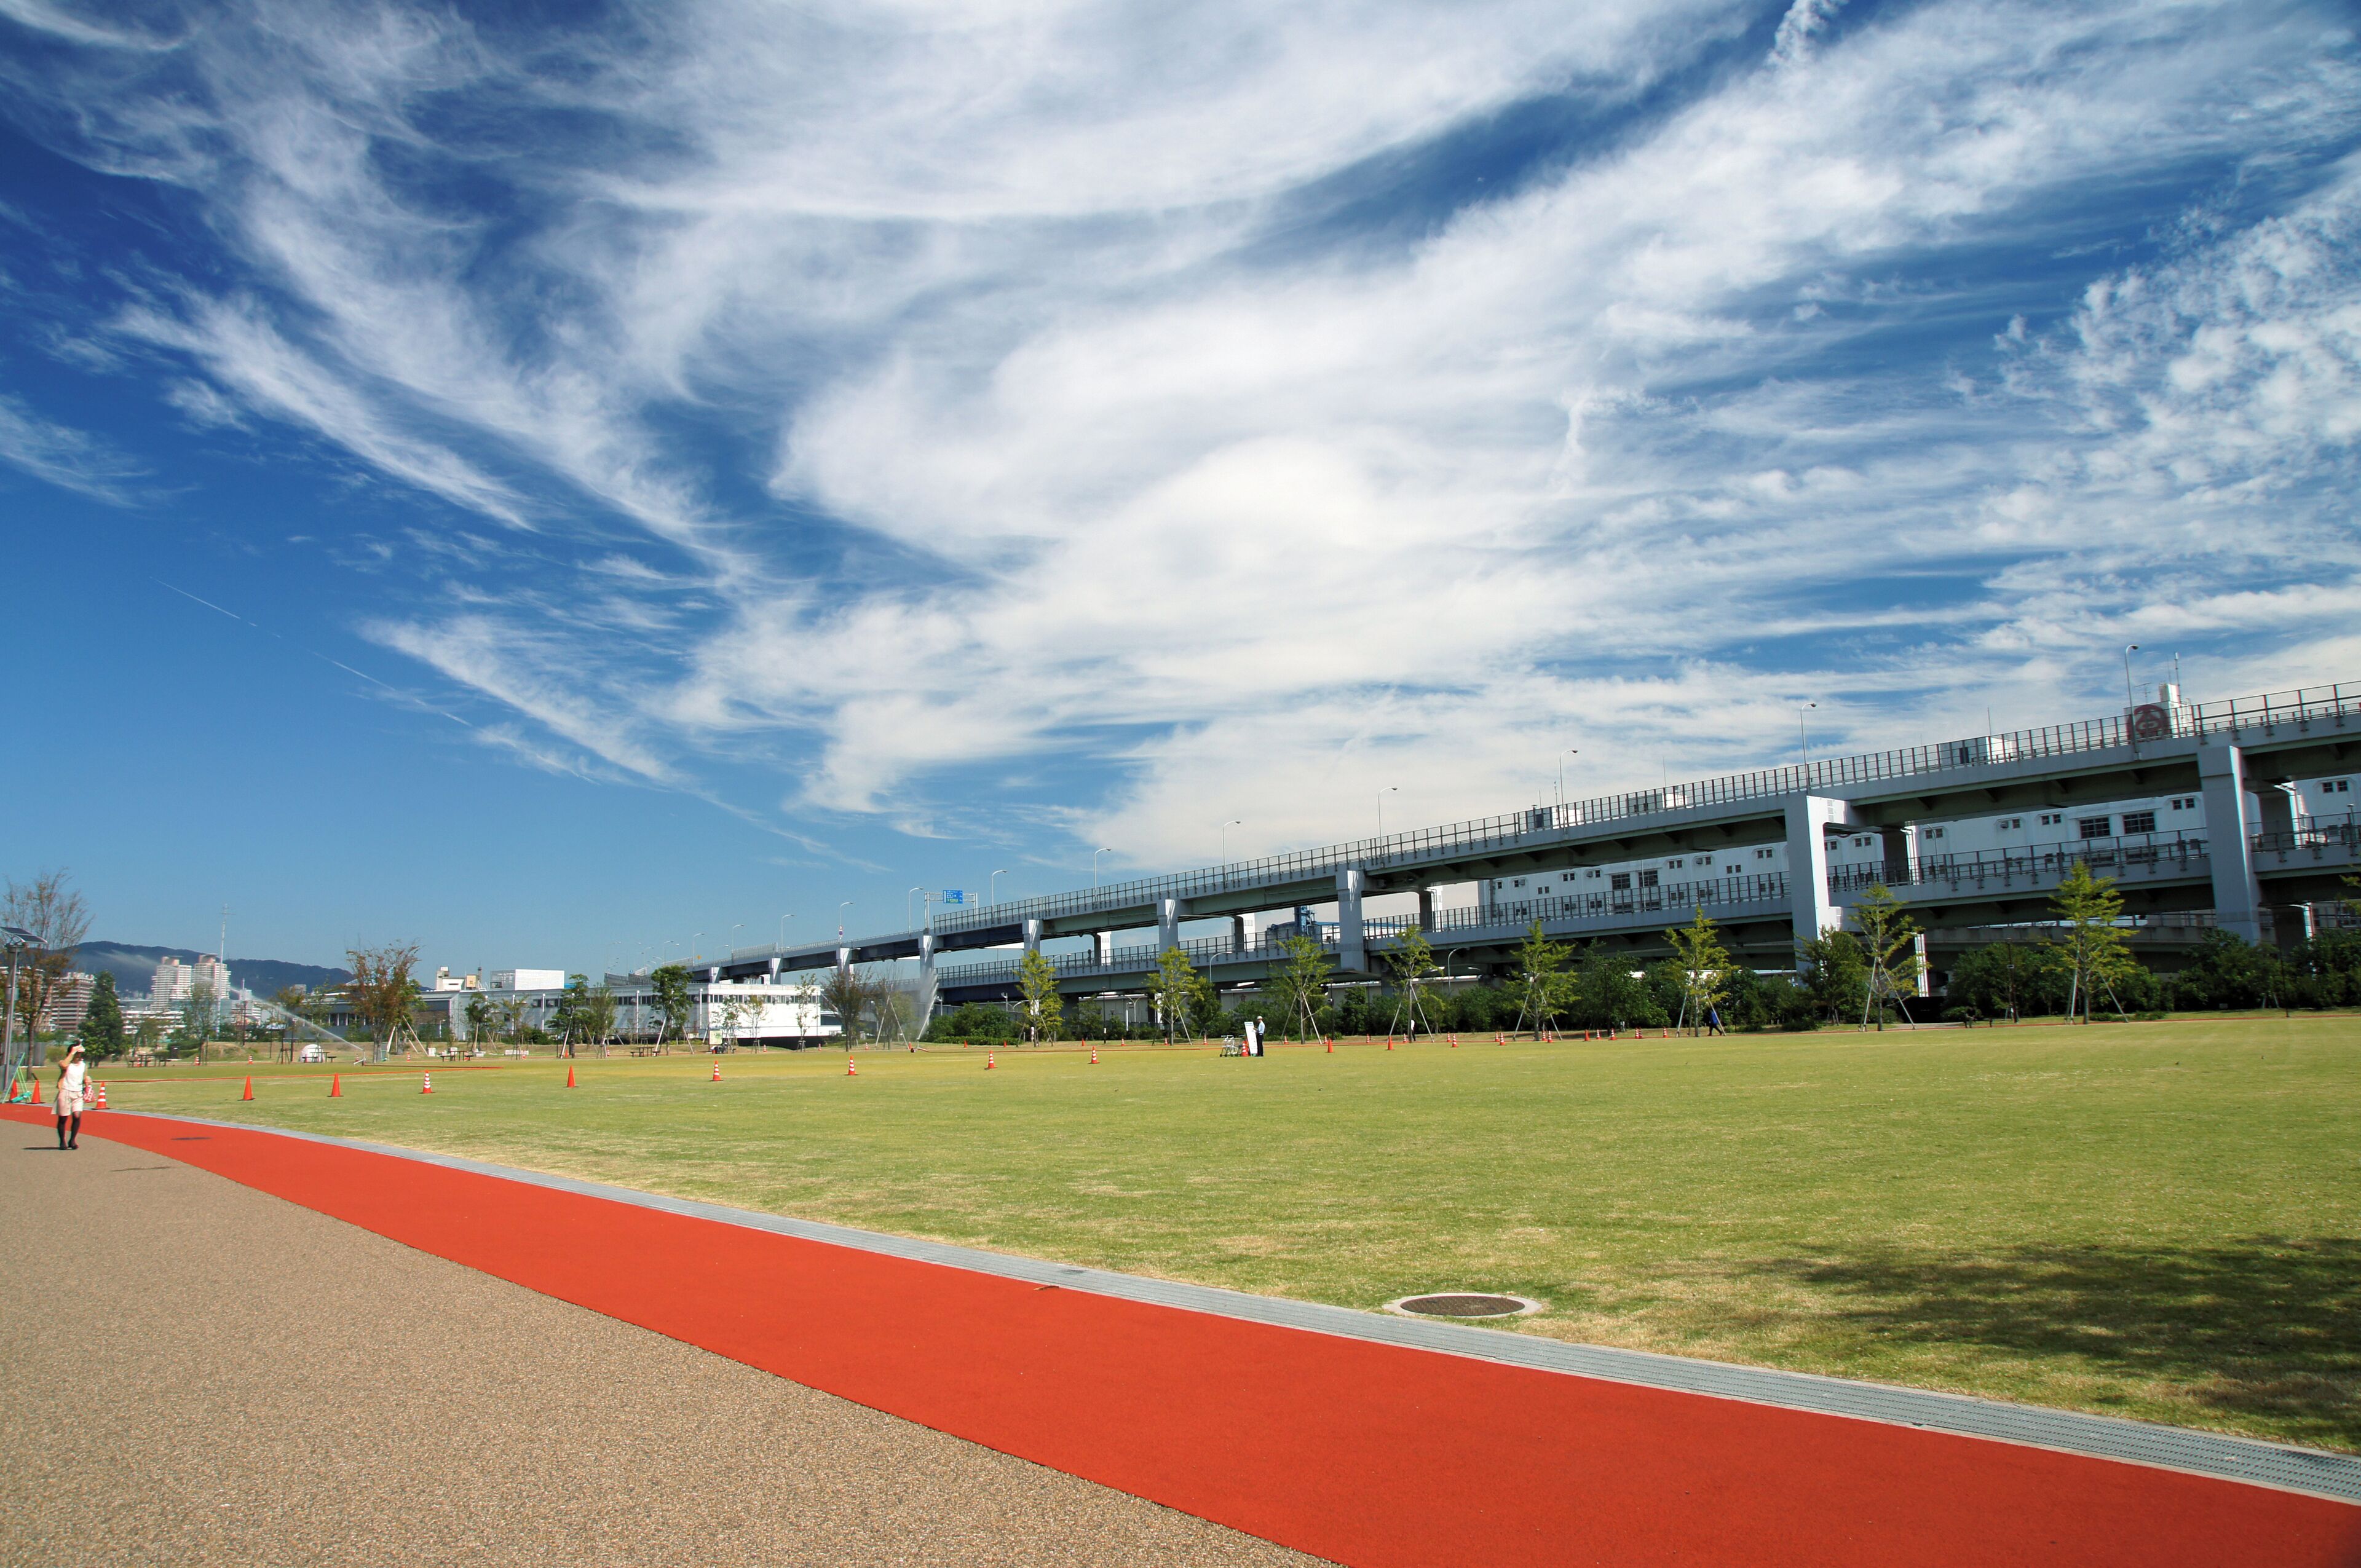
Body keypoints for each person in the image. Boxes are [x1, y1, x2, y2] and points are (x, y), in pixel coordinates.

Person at [55, 1043, 89, 1151]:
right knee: (63, 1118)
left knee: (77, 1116)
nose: (79, 1056)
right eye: (77, 1054)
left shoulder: (83, 1065)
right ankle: (62, 1141)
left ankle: (73, 1140)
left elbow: (84, 1077)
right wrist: (72, 1052)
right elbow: (64, 1065)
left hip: (78, 1093)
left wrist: (87, 1080)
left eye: (80, 1054)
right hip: (65, 1091)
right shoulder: (66, 1064)